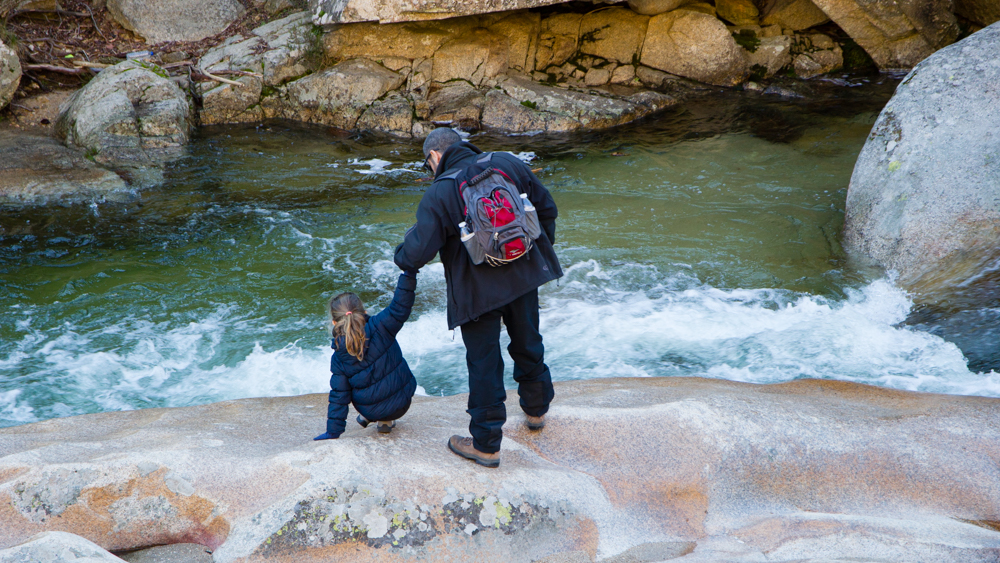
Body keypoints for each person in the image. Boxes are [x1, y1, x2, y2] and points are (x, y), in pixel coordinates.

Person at [394, 127, 562, 468]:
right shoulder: (507, 164)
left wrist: (400, 255)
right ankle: (536, 409)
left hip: (476, 292)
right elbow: (547, 208)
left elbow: (417, 251)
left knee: (484, 364)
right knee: (528, 340)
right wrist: (535, 256)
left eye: (428, 165)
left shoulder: (440, 192)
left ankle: (486, 444)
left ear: (435, 156)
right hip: (523, 273)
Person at [313, 270, 418, 440]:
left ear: (334, 322)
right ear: (364, 311)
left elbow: (339, 397)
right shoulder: (382, 325)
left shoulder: (339, 355)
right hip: (403, 402)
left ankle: (375, 416)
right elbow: (401, 306)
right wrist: (409, 274)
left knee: (347, 385)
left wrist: (333, 432)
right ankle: (387, 420)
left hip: (370, 409)